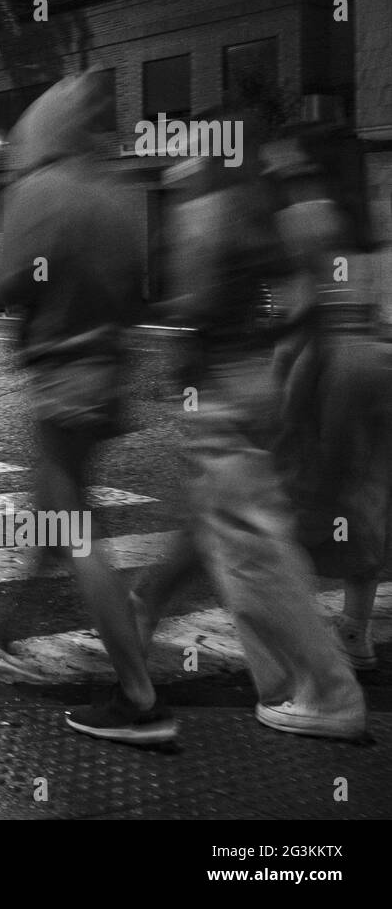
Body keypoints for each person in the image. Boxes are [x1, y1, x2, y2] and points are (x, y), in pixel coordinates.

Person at [0, 69, 176, 744]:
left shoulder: (40, 191)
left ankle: (139, 697)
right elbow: (138, 289)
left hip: (60, 377)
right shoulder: (113, 193)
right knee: (56, 515)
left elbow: (9, 283)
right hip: (107, 372)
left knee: (77, 531)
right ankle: (4, 624)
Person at [134, 112, 366, 740]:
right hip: (250, 382)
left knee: (256, 555)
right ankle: (282, 683)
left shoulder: (213, 210)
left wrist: (165, 314)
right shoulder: (257, 207)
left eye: (183, 146)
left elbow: (207, 301)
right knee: (226, 539)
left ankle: (330, 692)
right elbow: (295, 299)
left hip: (227, 389)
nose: (174, 157)